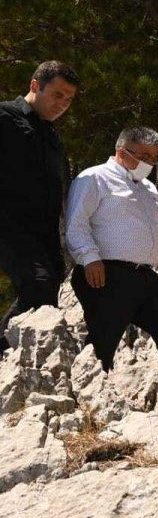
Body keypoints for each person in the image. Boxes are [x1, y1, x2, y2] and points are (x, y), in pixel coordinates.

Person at [65, 127, 158, 398]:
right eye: (144, 156)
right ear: (122, 151)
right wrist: (89, 258)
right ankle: (90, 400)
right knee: (104, 336)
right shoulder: (94, 177)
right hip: (107, 272)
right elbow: (76, 223)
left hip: (145, 275)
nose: (150, 164)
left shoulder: (149, 188)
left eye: (154, 158)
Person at [0, 60, 78, 350]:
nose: (63, 104)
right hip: (9, 227)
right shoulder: (5, 116)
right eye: (58, 95)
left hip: (44, 233)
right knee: (39, 283)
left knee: (49, 290)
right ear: (35, 85)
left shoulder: (51, 135)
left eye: (69, 99)